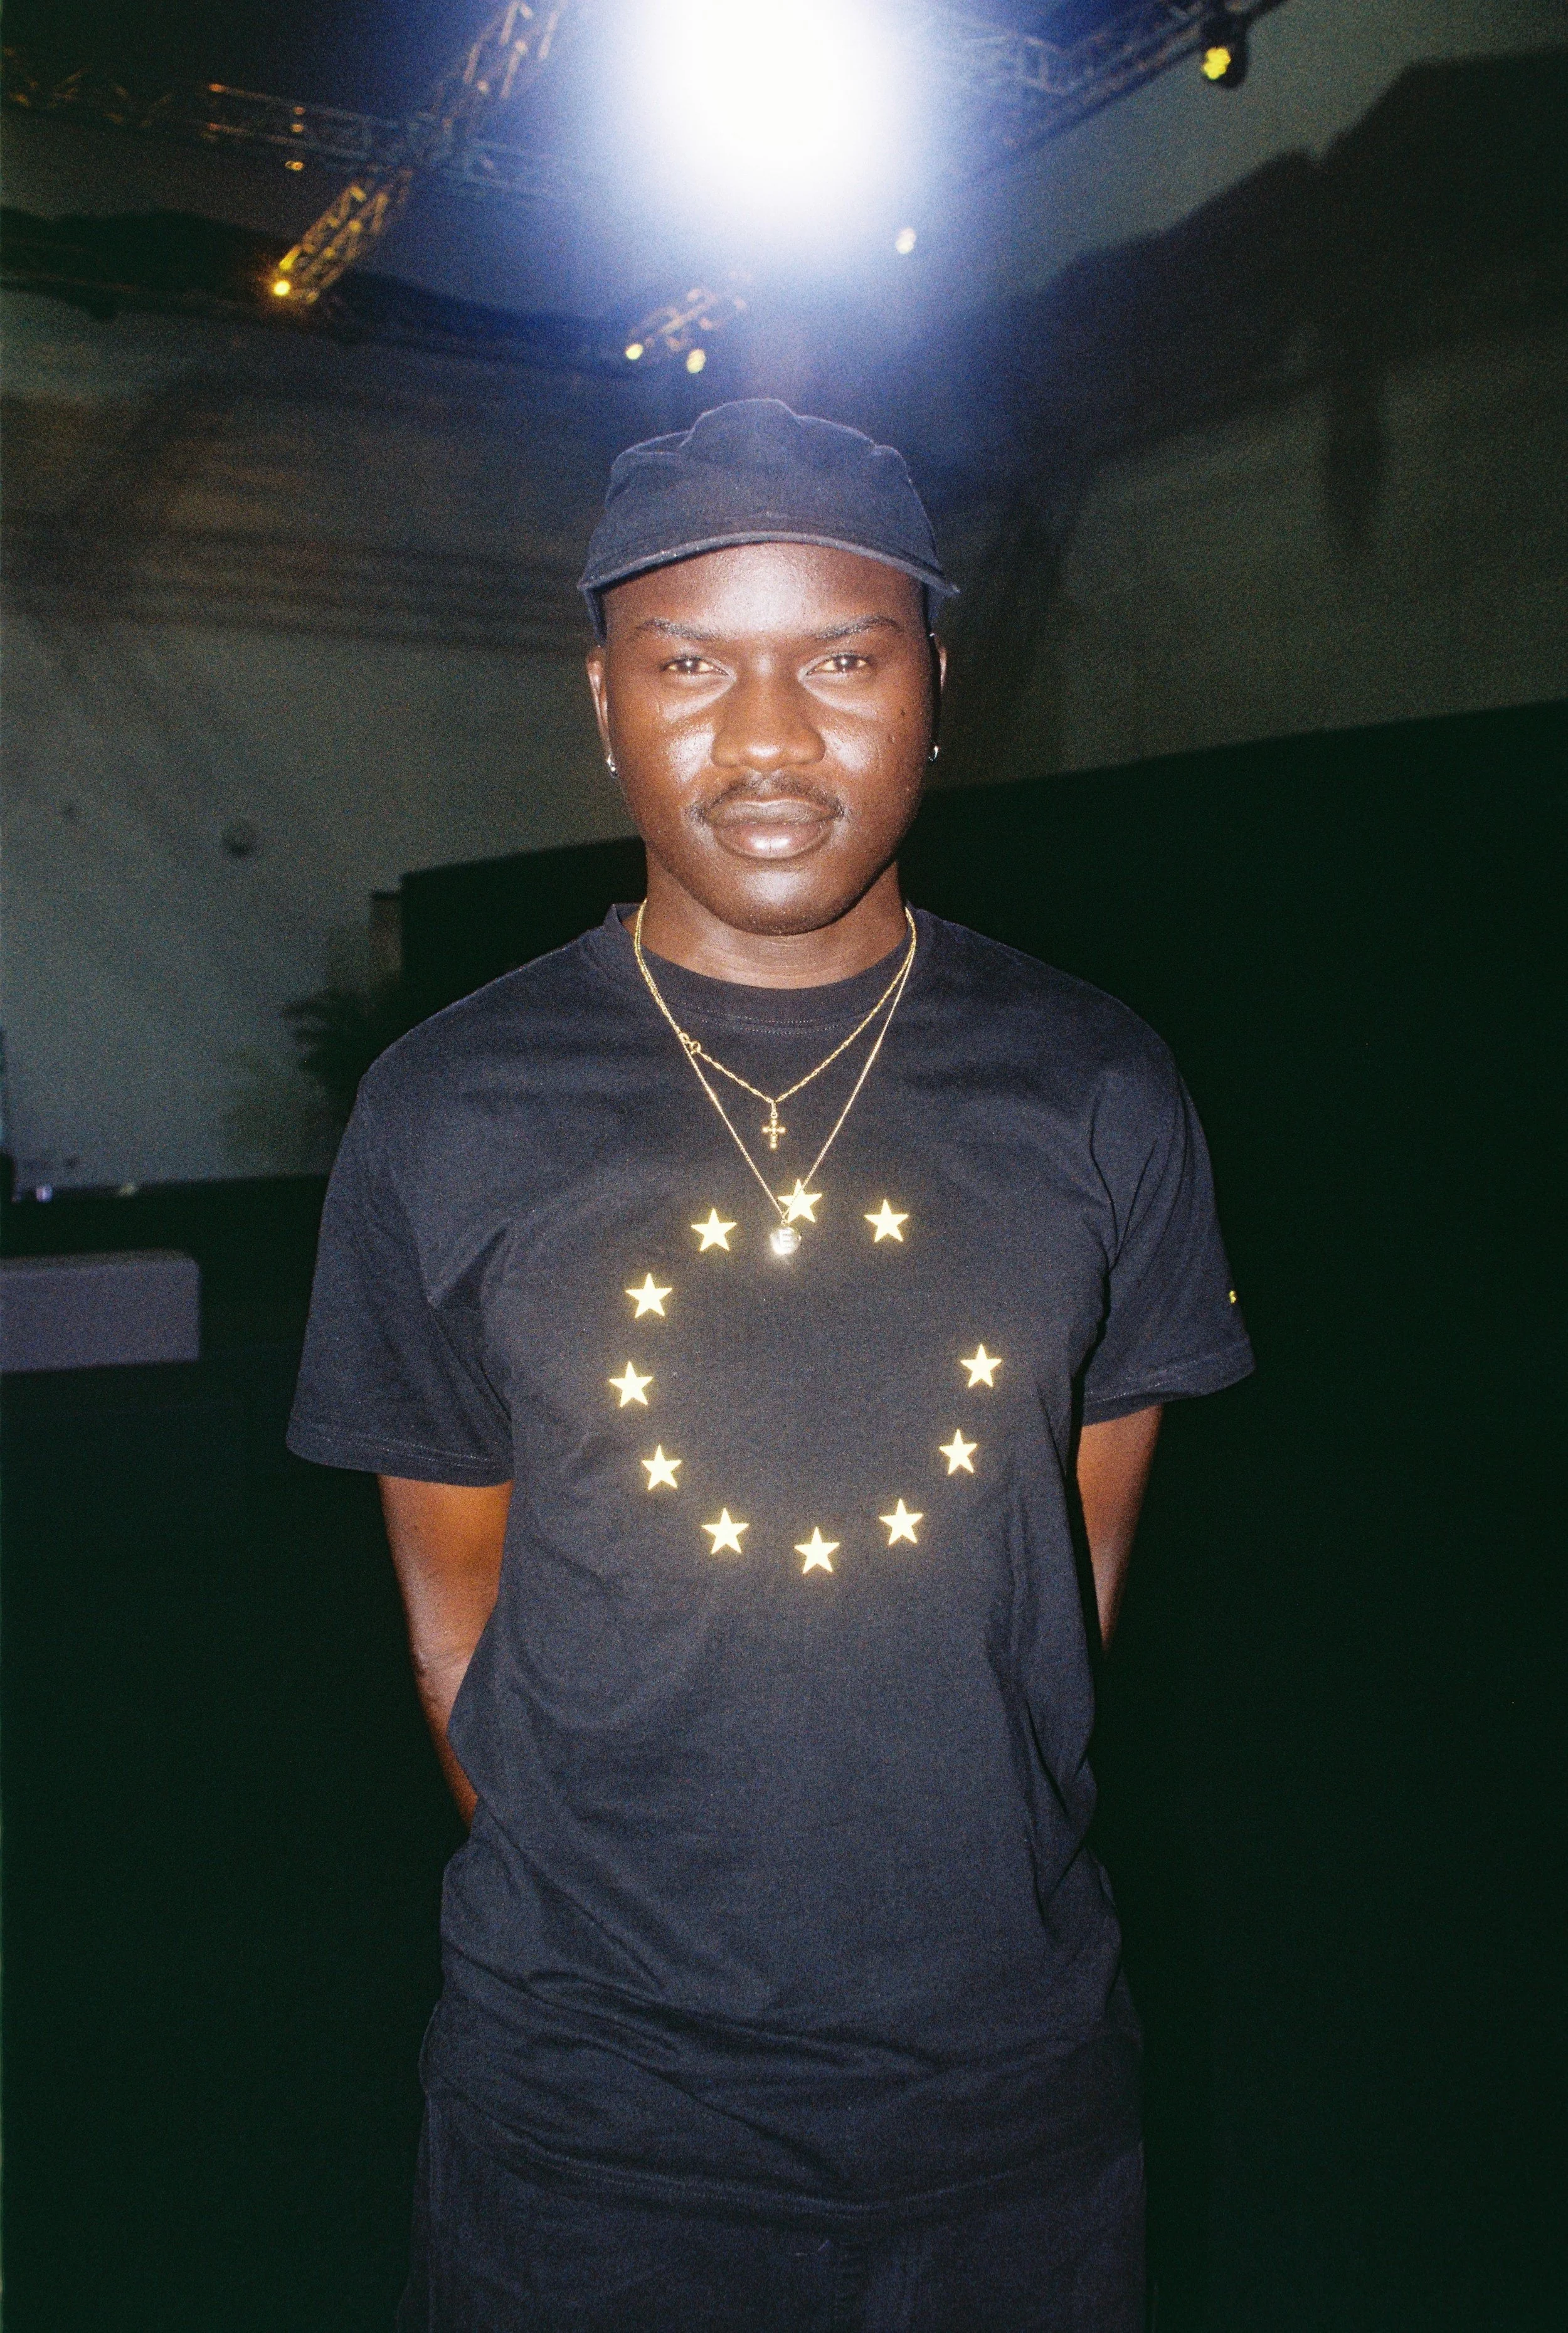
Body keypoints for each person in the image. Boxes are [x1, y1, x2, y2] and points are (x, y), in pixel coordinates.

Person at [289, 398, 1254, 2331]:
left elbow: (1074, 1572)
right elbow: (451, 1613)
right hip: (586, 2136)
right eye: (687, 663)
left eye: (837, 656)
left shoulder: (1096, 1086)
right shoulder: (448, 1105)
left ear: (931, 686)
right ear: (602, 699)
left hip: (1012, 2112)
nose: (764, 742)